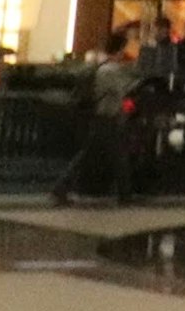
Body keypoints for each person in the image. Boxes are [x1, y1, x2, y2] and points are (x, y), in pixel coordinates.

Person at [56, 27, 141, 206]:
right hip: (106, 117)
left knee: (91, 154)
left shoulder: (100, 67)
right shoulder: (111, 71)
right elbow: (122, 92)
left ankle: (61, 188)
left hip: (99, 116)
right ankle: (125, 194)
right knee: (117, 156)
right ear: (119, 50)